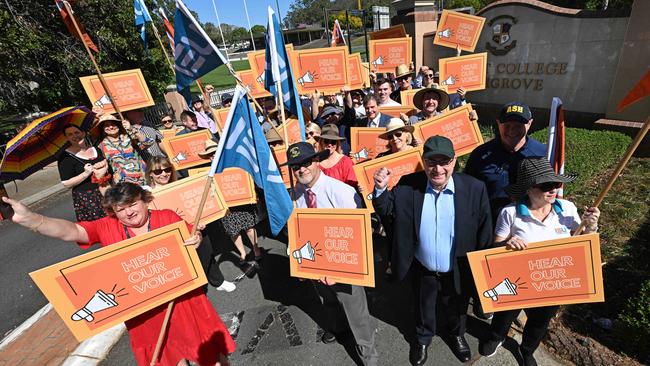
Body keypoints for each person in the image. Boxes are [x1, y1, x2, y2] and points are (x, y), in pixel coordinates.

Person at [2, 183, 236, 366]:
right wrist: (31, 219)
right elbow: (71, 230)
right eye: (120, 209)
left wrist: (196, 240)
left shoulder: (166, 217)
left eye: (132, 204)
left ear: (145, 201)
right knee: (168, 359)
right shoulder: (107, 226)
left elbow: (193, 240)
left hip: (184, 301)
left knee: (212, 357)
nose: (128, 213)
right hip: (143, 311)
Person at [372, 136, 492, 365]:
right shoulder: (408, 185)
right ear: (423, 161)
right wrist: (380, 190)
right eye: (431, 162)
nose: (438, 169)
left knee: (457, 306)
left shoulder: (474, 188)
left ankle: (456, 335)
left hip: (458, 266)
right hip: (422, 267)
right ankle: (422, 338)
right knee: (422, 305)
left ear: (454, 161)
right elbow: (388, 214)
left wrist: (483, 270)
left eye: (444, 161)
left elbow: (484, 230)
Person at [479, 157, 600, 366]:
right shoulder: (510, 213)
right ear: (528, 188)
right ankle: (496, 337)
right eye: (546, 185)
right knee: (505, 313)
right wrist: (508, 243)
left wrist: (590, 227)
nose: (553, 189)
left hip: (552, 281)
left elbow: (581, 243)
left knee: (540, 320)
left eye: (556, 183)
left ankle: (527, 350)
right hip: (517, 280)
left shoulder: (568, 209)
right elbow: (494, 247)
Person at [284, 142, 377, 366]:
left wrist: (340, 272)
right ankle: (338, 328)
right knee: (329, 302)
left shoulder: (342, 192)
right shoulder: (294, 195)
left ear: (317, 162)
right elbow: (296, 231)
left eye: (306, 163)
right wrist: (298, 260)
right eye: (296, 166)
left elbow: (359, 239)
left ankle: (368, 357)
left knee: (357, 315)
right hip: (315, 265)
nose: (301, 169)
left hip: (344, 268)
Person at [143, 155, 237, 293]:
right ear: (150, 173)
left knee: (206, 253)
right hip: (171, 233)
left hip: (194, 228)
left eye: (167, 169)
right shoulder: (146, 193)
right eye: (158, 171)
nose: (164, 174)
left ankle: (218, 281)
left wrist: (202, 220)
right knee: (183, 263)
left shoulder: (180, 185)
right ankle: (194, 289)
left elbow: (195, 207)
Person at [465, 102, 548, 221]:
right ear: (498, 123)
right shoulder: (480, 155)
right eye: (507, 124)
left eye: (518, 125)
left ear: (529, 124)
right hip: (489, 226)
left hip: (530, 228)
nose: (512, 130)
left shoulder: (543, 154)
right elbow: (468, 192)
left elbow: (551, 192)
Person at [198, 139, 262, 273]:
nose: (213, 156)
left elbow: (246, 179)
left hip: (241, 201)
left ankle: (256, 249)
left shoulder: (234, 165)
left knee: (249, 227)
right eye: (210, 154)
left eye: (215, 152)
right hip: (226, 207)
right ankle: (242, 252)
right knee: (233, 231)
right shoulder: (207, 173)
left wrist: (252, 192)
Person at [58, 124, 109, 221]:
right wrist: (85, 174)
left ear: (83, 133)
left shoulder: (96, 149)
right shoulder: (65, 157)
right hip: (87, 197)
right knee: (99, 226)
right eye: (70, 134)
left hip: (106, 190)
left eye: (77, 132)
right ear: (66, 138)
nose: (75, 136)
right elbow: (66, 183)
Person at [96, 114, 150, 186]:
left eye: (113, 124)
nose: (111, 127)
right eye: (107, 125)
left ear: (119, 125)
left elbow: (148, 143)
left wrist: (131, 128)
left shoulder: (129, 137)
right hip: (123, 183)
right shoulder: (101, 146)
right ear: (103, 129)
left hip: (143, 177)